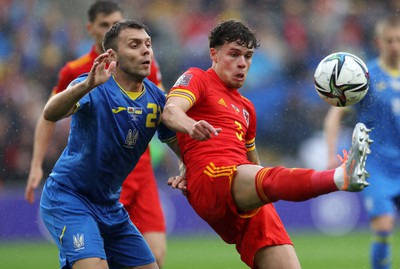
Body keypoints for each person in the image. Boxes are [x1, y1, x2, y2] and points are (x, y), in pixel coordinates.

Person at [161, 19, 372, 269]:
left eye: (248, 56)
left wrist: (265, 196)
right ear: (214, 54)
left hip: (242, 184)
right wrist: (190, 127)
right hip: (212, 177)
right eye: (234, 54)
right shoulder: (197, 78)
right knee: (267, 178)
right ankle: (340, 178)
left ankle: (337, 178)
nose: (242, 63)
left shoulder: (247, 107)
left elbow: (254, 165)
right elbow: (170, 112)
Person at [24, 1, 167, 267]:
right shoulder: (79, 72)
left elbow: (168, 115)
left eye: (148, 44)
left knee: (154, 258)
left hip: (118, 190)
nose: (145, 50)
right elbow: (50, 114)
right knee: (94, 264)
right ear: (94, 31)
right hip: (74, 191)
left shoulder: (150, 78)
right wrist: (35, 163)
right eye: (135, 44)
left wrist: (189, 161)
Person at [324, 15, 400, 269]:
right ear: (379, 42)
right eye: (389, 41)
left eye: (399, 40)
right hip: (375, 164)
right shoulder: (363, 76)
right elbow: (335, 115)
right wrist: (330, 153)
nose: (395, 46)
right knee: (384, 225)